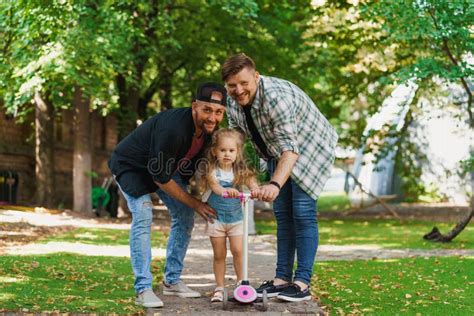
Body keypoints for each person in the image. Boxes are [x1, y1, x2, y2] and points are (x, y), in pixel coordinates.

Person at [221, 53, 338, 302]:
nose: (238, 90)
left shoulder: (276, 98)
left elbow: (291, 148)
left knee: (302, 211)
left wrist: (274, 183)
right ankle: (281, 279)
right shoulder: (232, 101)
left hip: (310, 146)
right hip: (277, 149)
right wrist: (253, 185)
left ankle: (302, 283)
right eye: (232, 85)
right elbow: (237, 148)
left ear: (256, 76)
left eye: (244, 83)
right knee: (282, 215)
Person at [108, 82, 227, 308]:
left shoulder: (208, 133)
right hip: (131, 167)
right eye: (207, 110)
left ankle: (171, 281)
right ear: (195, 107)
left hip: (166, 169)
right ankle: (143, 288)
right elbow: (159, 178)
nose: (213, 117)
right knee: (143, 213)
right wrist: (195, 203)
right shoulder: (173, 129)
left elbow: (199, 170)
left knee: (184, 217)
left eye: (219, 112)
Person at [200, 128, 259, 302]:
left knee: (238, 251)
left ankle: (242, 283)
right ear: (214, 151)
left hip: (236, 220)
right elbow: (217, 188)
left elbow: (252, 183)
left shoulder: (241, 171)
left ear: (237, 152)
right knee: (219, 254)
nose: (227, 154)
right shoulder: (212, 171)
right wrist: (226, 191)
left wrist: (256, 190)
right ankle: (219, 287)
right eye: (222, 150)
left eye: (231, 150)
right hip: (216, 219)